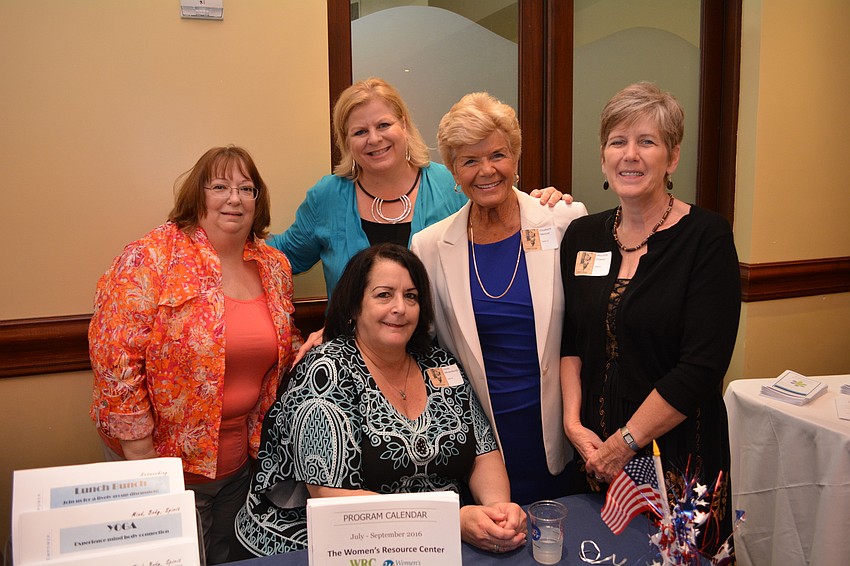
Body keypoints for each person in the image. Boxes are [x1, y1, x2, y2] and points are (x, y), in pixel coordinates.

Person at [234, 244, 526, 557]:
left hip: (432, 543)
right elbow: (332, 496)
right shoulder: (326, 371)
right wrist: (448, 521)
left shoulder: (439, 364)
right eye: (384, 295)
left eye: (411, 296)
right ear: (355, 306)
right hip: (323, 547)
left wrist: (497, 511)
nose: (400, 307)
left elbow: (484, 451)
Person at [89, 146, 302, 564]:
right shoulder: (151, 256)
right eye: (219, 186)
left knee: (228, 555)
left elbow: (277, 343)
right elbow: (114, 357)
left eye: (246, 188)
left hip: (242, 464)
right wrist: (143, 464)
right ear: (197, 195)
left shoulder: (274, 264)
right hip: (162, 465)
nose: (234, 198)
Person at [559, 82, 740, 556]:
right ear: (603, 157)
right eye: (618, 141)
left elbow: (701, 367)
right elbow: (571, 341)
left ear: (672, 157)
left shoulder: (707, 237)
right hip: (596, 457)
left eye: (647, 141)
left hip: (679, 457)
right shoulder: (581, 235)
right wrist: (574, 426)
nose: (630, 155)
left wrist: (625, 442)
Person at [410, 92, 588, 505]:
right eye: (469, 161)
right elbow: (427, 347)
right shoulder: (431, 245)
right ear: (453, 171)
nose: (486, 170)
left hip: (558, 423)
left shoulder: (563, 221)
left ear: (516, 158)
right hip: (479, 434)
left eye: (498, 155)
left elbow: (588, 327)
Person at [266, 77, 567, 300]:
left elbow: (506, 210)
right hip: (352, 361)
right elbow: (278, 258)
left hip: (441, 358)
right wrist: (226, 230)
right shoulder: (327, 197)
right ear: (346, 143)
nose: (374, 139)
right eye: (360, 132)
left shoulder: (452, 184)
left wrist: (548, 203)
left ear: (404, 126)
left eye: (384, 125)